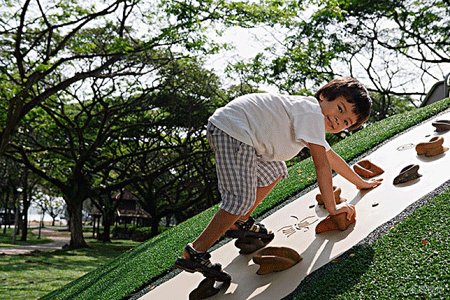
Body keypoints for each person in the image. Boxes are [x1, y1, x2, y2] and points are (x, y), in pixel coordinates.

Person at [175, 77, 383, 281]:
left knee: (274, 170)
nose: (339, 120)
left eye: (346, 122)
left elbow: (331, 158)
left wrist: (360, 183)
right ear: (324, 96)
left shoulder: (310, 116)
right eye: (340, 108)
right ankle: (196, 252)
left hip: (241, 134)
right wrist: (332, 208)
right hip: (234, 130)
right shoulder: (312, 113)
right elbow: (322, 165)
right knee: (240, 199)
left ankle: (240, 221)